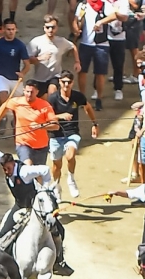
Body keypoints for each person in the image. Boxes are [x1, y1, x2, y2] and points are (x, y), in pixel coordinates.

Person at [0, 143, 70, 275]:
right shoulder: (7, 164)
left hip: (35, 207)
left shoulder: (24, 171)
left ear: (13, 164)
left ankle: (59, 261)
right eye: (4, 169)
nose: (6, 171)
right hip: (19, 205)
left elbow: (45, 170)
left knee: (59, 230)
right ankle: (3, 263)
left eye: (8, 168)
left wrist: (45, 188)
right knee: (2, 235)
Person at [46, 70, 98, 199]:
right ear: (59, 82)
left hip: (72, 132)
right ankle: (57, 185)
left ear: (72, 83)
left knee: (70, 156)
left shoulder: (78, 96)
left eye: (69, 82)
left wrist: (94, 124)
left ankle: (71, 178)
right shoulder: (52, 98)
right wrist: (60, 116)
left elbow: (88, 108)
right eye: (63, 82)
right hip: (56, 134)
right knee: (56, 165)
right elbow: (46, 117)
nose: (66, 85)